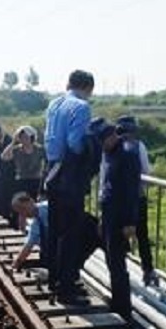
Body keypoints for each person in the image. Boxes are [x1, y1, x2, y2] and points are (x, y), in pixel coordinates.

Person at [43, 70, 96, 304]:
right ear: (88, 88)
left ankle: (53, 279)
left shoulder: (54, 104)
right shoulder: (81, 107)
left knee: (55, 229)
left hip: (52, 171)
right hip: (69, 176)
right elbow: (75, 144)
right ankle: (66, 288)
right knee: (71, 233)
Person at [98, 116, 142, 319]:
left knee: (118, 263)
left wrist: (130, 222)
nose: (100, 145)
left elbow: (132, 191)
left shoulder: (128, 154)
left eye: (102, 140)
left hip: (121, 216)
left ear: (112, 136)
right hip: (108, 212)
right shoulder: (109, 152)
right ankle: (117, 302)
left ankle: (123, 309)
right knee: (111, 260)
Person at [10, 191, 101, 274]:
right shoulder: (36, 222)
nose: (23, 213)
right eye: (20, 212)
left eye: (23, 208)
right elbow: (29, 244)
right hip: (73, 235)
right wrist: (18, 262)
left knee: (71, 262)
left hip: (86, 230)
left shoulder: (48, 208)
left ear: (31, 201)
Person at [129, 124, 159, 286]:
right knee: (142, 234)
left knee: (117, 235)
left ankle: (118, 272)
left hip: (116, 198)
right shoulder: (138, 146)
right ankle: (147, 270)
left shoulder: (110, 145)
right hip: (137, 197)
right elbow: (146, 170)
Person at [0, 125, 45, 201]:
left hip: (36, 181)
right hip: (21, 181)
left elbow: (48, 161)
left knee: (34, 203)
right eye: (22, 137)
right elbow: (4, 157)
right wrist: (13, 142)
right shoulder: (16, 150)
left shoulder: (39, 149)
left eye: (26, 137)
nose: (24, 139)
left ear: (32, 137)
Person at [0, 122, 17, 228]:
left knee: (9, 205)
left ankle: (11, 226)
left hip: (9, 180)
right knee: (0, 205)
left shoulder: (9, 142)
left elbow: (9, 161)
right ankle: (2, 223)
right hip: (0, 179)